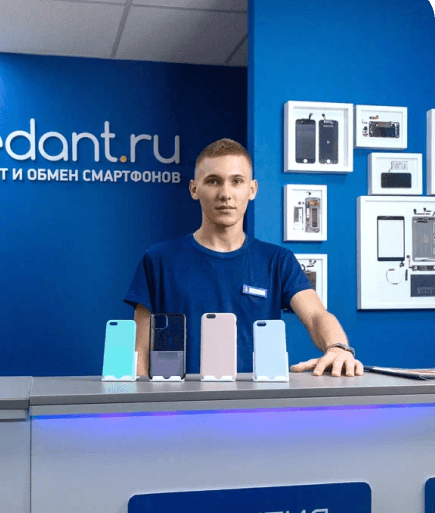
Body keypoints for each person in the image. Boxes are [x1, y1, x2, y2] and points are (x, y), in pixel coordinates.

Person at [123, 138, 363, 378]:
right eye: (213, 181)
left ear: (252, 189)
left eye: (236, 181)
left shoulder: (278, 261)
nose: (225, 194)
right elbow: (140, 352)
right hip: (179, 398)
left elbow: (316, 315)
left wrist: (338, 347)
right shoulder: (158, 260)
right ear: (194, 189)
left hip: (254, 399)